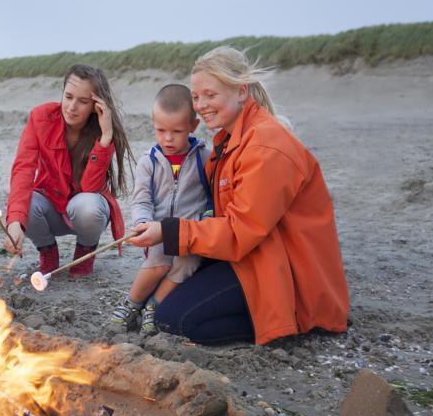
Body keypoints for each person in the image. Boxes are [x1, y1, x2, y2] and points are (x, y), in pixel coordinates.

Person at [130, 46, 349, 345]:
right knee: (169, 291)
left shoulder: (264, 146)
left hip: (285, 273)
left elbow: (241, 230)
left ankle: (290, 321)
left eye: (210, 95)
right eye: (196, 97)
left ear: (241, 92)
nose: (201, 105)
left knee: (173, 319)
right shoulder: (232, 137)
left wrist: (168, 230)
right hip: (254, 255)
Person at [3, 64, 134, 278]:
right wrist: (15, 222)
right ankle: (47, 251)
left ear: (96, 105)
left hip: (85, 212)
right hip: (51, 206)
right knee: (26, 202)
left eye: (82, 101)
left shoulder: (101, 129)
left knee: (87, 205)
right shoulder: (41, 117)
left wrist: (106, 138)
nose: (72, 107)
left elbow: (91, 187)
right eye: (68, 97)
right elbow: (23, 169)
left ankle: (85, 250)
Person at [111, 84, 211, 333]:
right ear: (153, 123)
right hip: (157, 229)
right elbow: (141, 198)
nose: (168, 138)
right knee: (158, 263)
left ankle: (153, 306)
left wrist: (206, 219)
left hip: (190, 232)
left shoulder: (204, 157)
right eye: (161, 130)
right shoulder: (149, 162)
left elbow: (213, 197)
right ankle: (132, 303)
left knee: (186, 265)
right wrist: (143, 221)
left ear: (193, 126)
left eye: (176, 131)